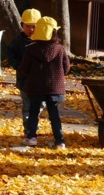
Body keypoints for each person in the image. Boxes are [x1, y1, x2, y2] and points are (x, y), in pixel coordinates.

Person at [18, 16, 69, 149]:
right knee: (54, 114)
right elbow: (66, 68)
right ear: (54, 32)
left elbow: (24, 69)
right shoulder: (60, 49)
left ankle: (31, 137)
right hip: (54, 87)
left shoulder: (30, 49)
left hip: (35, 87)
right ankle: (59, 141)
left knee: (33, 112)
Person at [7, 9, 45, 137]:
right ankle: (29, 129)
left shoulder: (42, 40)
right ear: (22, 25)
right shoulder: (17, 42)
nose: (31, 29)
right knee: (27, 107)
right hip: (24, 80)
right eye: (28, 26)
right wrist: (18, 66)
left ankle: (33, 124)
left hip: (40, 81)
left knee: (41, 104)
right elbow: (11, 56)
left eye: (34, 26)